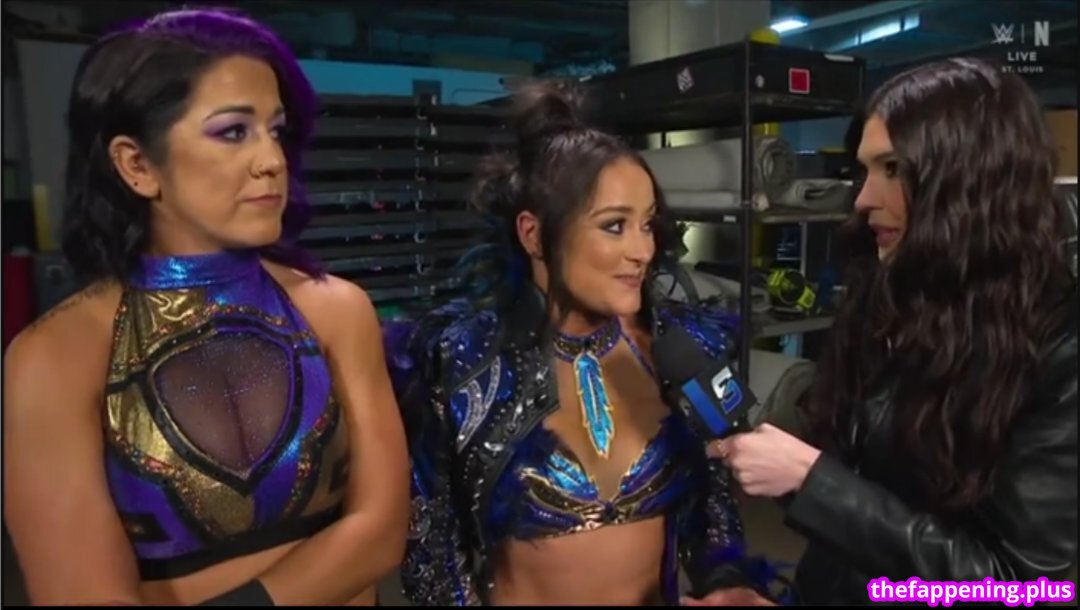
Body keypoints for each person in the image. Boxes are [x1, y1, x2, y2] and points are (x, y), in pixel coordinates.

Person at [1, 8, 410, 606]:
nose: (272, 160)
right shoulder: (57, 356)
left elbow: (381, 532)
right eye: (233, 132)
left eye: (276, 130)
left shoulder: (336, 311)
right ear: (137, 165)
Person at [386, 81, 790, 607]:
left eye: (648, 225)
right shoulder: (461, 364)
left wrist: (728, 583)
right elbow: (432, 557)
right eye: (614, 226)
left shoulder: (686, 350)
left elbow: (714, 511)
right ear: (534, 235)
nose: (643, 250)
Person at [711, 57, 1078, 605]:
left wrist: (813, 481)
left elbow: (1020, 586)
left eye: (892, 169)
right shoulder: (890, 296)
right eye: (864, 171)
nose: (864, 199)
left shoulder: (1058, 346)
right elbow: (867, 513)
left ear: (968, 178)